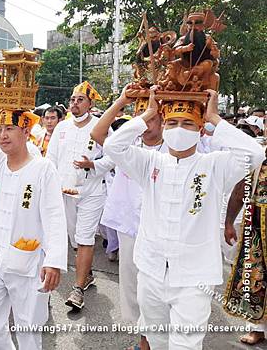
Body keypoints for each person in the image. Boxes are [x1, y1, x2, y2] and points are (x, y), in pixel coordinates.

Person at [103, 87, 264, 349]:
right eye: (173, 122)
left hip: (194, 277)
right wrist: (148, 114)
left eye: (188, 123)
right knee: (156, 341)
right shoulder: (150, 162)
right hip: (151, 270)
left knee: (186, 344)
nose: (179, 128)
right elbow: (113, 146)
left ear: (200, 130)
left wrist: (214, 119)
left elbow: (254, 154)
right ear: (164, 127)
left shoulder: (215, 164)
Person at [0, 92, 67, 350]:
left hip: (28, 263)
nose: (2, 135)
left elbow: (54, 215)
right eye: (0, 129)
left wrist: (53, 260)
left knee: (28, 329)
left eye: (10, 129)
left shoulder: (42, 168)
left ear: (26, 131)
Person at [90, 92, 165, 350]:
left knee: (159, 288)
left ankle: (158, 340)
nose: (144, 122)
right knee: (133, 288)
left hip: (161, 230)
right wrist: (122, 101)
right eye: (140, 115)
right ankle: (143, 341)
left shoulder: (174, 148)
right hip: (130, 226)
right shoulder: (128, 147)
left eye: (151, 116)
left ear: (164, 119)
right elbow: (98, 135)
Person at [46, 81, 114, 310]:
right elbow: (51, 160)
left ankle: (77, 290)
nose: (74, 103)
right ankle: (88, 273)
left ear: (90, 104)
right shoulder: (62, 128)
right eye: (72, 99)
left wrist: (93, 164)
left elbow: (114, 156)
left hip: (92, 192)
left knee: (85, 237)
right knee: (74, 238)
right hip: (65, 192)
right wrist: (51, 186)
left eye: (80, 100)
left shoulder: (101, 126)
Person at [222, 146, 267, 346]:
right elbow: (241, 189)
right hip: (257, 227)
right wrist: (229, 222)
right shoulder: (258, 157)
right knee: (254, 277)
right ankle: (256, 328)